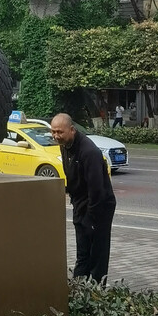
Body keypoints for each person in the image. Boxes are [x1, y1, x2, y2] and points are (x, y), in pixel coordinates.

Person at [50, 112, 116, 284]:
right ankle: (79, 287)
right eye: (53, 132)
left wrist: (92, 220)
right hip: (81, 203)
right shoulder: (65, 145)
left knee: (97, 252)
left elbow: (97, 190)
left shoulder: (89, 152)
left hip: (99, 205)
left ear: (71, 130)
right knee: (83, 249)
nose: (56, 136)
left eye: (60, 132)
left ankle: (96, 289)